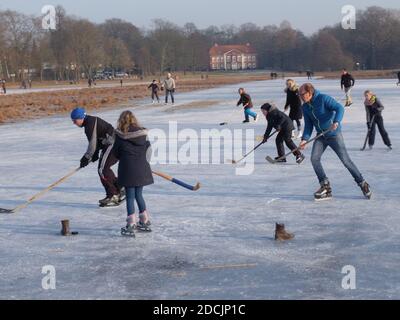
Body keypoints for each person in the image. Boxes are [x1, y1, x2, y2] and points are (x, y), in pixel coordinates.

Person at [298, 83, 372, 201]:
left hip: (334, 134)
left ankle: (363, 183)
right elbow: (308, 125)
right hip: (321, 136)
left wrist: (336, 121)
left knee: (346, 161)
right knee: (314, 159)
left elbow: (339, 108)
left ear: (309, 92)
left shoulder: (323, 98)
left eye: (302, 94)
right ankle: (325, 186)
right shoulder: (305, 107)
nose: (301, 97)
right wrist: (304, 139)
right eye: (299, 95)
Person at [70, 107, 124, 207]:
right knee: (103, 169)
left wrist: (86, 158)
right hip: (109, 143)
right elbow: (97, 141)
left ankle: (114, 194)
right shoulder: (89, 122)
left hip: (113, 143)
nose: (74, 123)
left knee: (102, 169)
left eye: (75, 120)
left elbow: (92, 144)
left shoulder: (90, 124)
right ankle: (119, 187)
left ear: (81, 118)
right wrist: (94, 154)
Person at [113, 111, 154, 236]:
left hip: (128, 170)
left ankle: (131, 224)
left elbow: (116, 153)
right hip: (142, 169)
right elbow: (149, 151)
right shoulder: (143, 134)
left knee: (130, 197)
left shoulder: (120, 136)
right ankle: (144, 221)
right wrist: (144, 163)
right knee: (139, 195)